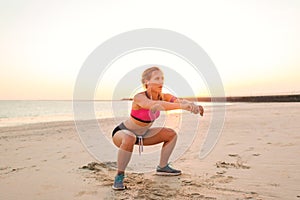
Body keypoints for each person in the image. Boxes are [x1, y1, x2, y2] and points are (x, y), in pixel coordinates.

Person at [111, 66, 204, 190]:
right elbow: (154, 105)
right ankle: (119, 176)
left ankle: (162, 167)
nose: (161, 81)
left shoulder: (164, 96)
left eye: (162, 78)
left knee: (171, 134)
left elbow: (178, 100)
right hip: (123, 133)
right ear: (146, 82)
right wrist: (182, 106)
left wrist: (192, 106)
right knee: (130, 137)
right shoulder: (139, 97)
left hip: (143, 135)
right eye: (157, 78)